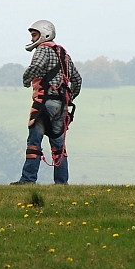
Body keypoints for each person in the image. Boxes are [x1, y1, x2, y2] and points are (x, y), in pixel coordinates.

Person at [11, 20, 82, 185]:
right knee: (59, 147)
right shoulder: (63, 53)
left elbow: (36, 67)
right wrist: (70, 98)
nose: (31, 39)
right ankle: (61, 182)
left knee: (34, 143)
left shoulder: (43, 49)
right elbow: (77, 80)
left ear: (44, 34)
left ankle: (28, 179)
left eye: (34, 35)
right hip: (62, 106)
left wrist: (26, 80)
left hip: (44, 104)